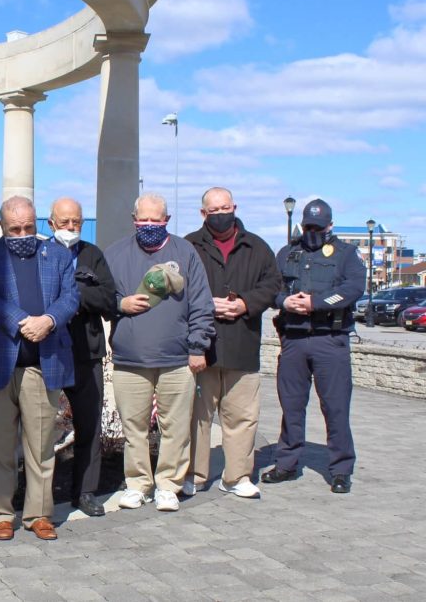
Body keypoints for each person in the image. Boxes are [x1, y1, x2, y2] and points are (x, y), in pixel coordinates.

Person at [0, 196, 78, 541]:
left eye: (28, 227)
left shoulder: (58, 255)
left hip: (42, 365)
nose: (22, 233)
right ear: (2, 227)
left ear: (37, 223)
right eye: (15, 228)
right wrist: (19, 321)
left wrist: (48, 320)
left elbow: (70, 297)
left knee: (42, 445)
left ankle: (39, 514)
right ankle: (0, 513)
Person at [105, 193, 215, 512]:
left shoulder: (185, 251)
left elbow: (201, 305)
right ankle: (138, 483)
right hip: (129, 359)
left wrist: (198, 348)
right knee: (134, 427)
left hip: (178, 359)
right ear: (134, 218)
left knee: (175, 427)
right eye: (144, 219)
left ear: (166, 220)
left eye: (156, 220)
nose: (149, 225)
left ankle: (169, 484)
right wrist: (119, 304)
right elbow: (97, 296)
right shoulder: (115, 253)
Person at [262, 199, 365, 494]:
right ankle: (287, 464)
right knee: (291, 406)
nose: (312, 231)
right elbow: (271, 287)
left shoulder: (346, 254)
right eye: (307, 226)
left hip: (329, 340)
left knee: (335, 408)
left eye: (318, 227)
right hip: (293, 339)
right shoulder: (288, 252)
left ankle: (341, 469)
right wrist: (284, 301)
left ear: (330, 226)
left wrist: (315, 303)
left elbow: (353, 288)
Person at [184, 187, 281, 499]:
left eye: (225, 207)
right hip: (203, 347)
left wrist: (245, 304)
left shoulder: (257, 247)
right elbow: (177, 285)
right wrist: (204, 304)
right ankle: (195, 476)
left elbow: (272, 285)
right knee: (197, 416)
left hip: (242, 344)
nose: (221, 214)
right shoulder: (189, 245)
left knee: (242, 416)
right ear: (203, 214)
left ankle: (237, 476)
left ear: (235, 207)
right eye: (214, 210)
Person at [47, 197, 116, 517]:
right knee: (42, 429)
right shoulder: (40, 252)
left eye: (75, 222)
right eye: (64, 223)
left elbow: (107, 298)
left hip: (87, 353)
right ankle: (40, 494)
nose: (71, 228)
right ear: (51, 224)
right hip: (49, 353)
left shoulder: (93, 254)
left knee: (90, 425)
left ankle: (85, 491)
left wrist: (71, 291)